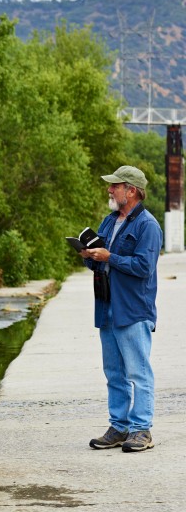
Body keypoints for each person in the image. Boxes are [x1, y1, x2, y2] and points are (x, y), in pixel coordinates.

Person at [80, 165, 163, 453]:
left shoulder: (148, 225)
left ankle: (141, 430)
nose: (110, 190)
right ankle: (119, 427)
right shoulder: (109, 221)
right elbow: (99, 261)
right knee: (114, 373)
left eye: (115, 186)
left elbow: (143, 267)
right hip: (107, 307)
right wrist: (89, 256)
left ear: (131, 191)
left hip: (133, 310)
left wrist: (109, 257)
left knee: (138, 373)